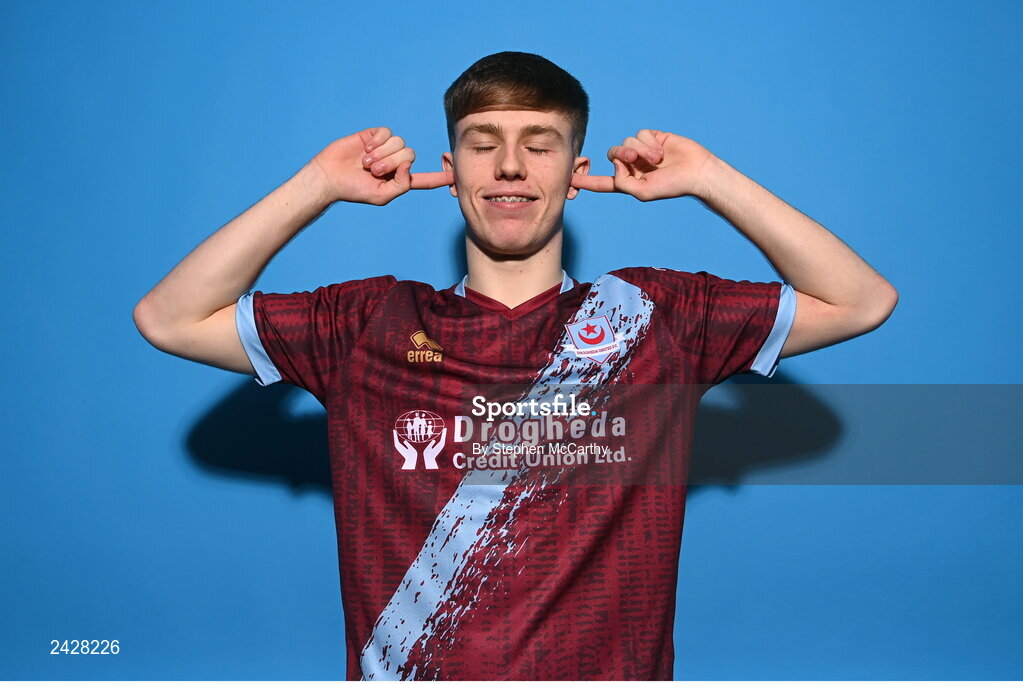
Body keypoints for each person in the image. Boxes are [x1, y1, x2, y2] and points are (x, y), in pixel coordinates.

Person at [134, 51, 897, 680]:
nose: (508, 166)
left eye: (538, 144)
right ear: (452, 167)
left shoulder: (652, 319)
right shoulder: (369, 323)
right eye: (481, 142)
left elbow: (858, 301)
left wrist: (708, 179)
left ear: (575, 170)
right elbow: (168, 318)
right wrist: (318, 188)